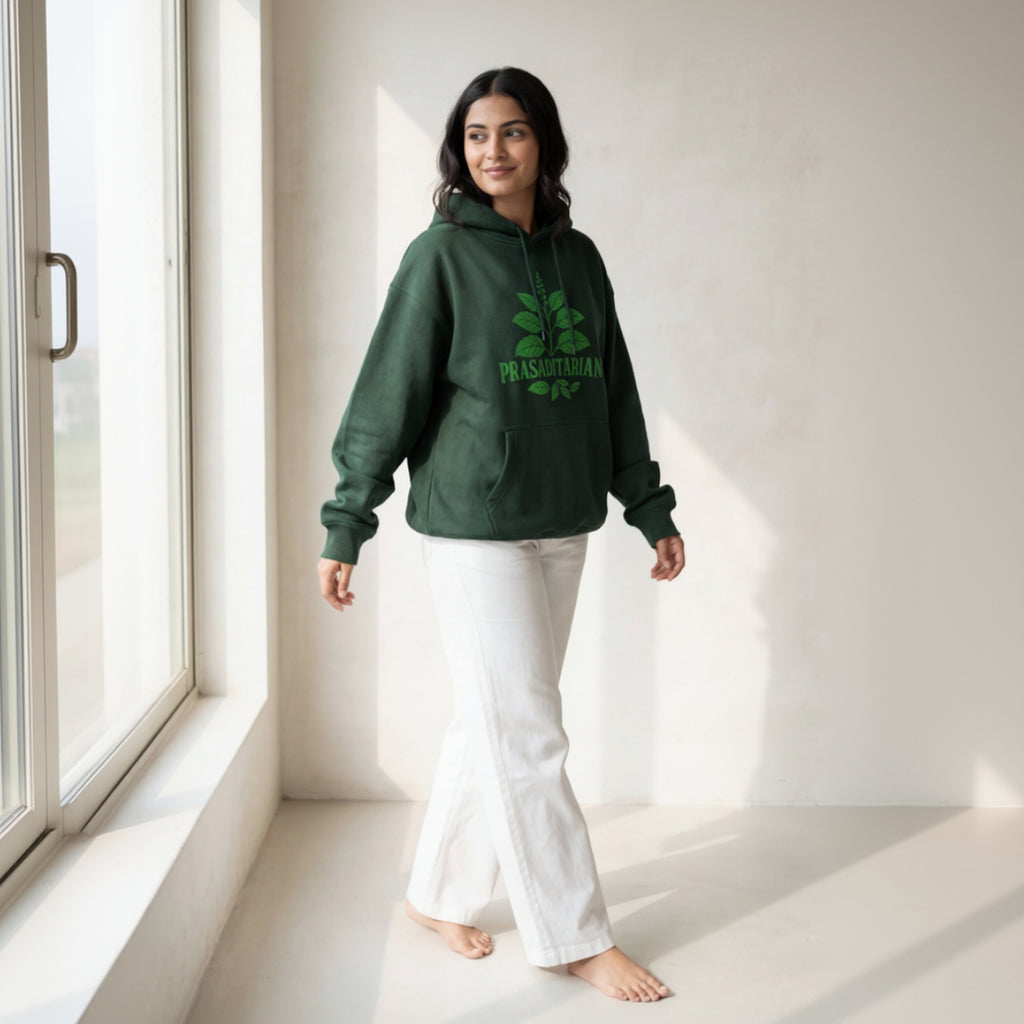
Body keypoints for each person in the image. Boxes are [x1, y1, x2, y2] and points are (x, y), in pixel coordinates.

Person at [317, 67, 685, 1004]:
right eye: (476, 135)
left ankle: (437, 891)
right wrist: (347, 521)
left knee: (496, 720)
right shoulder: (437, 258)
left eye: (512, 133)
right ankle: (571, 935)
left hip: (563, 522)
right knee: (530, 732)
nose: (493, 151)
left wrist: (648, 507)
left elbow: (616, 391)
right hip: (474, 529)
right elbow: (385, 395)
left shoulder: (580, 257)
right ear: (459, 149)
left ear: (544, 145)